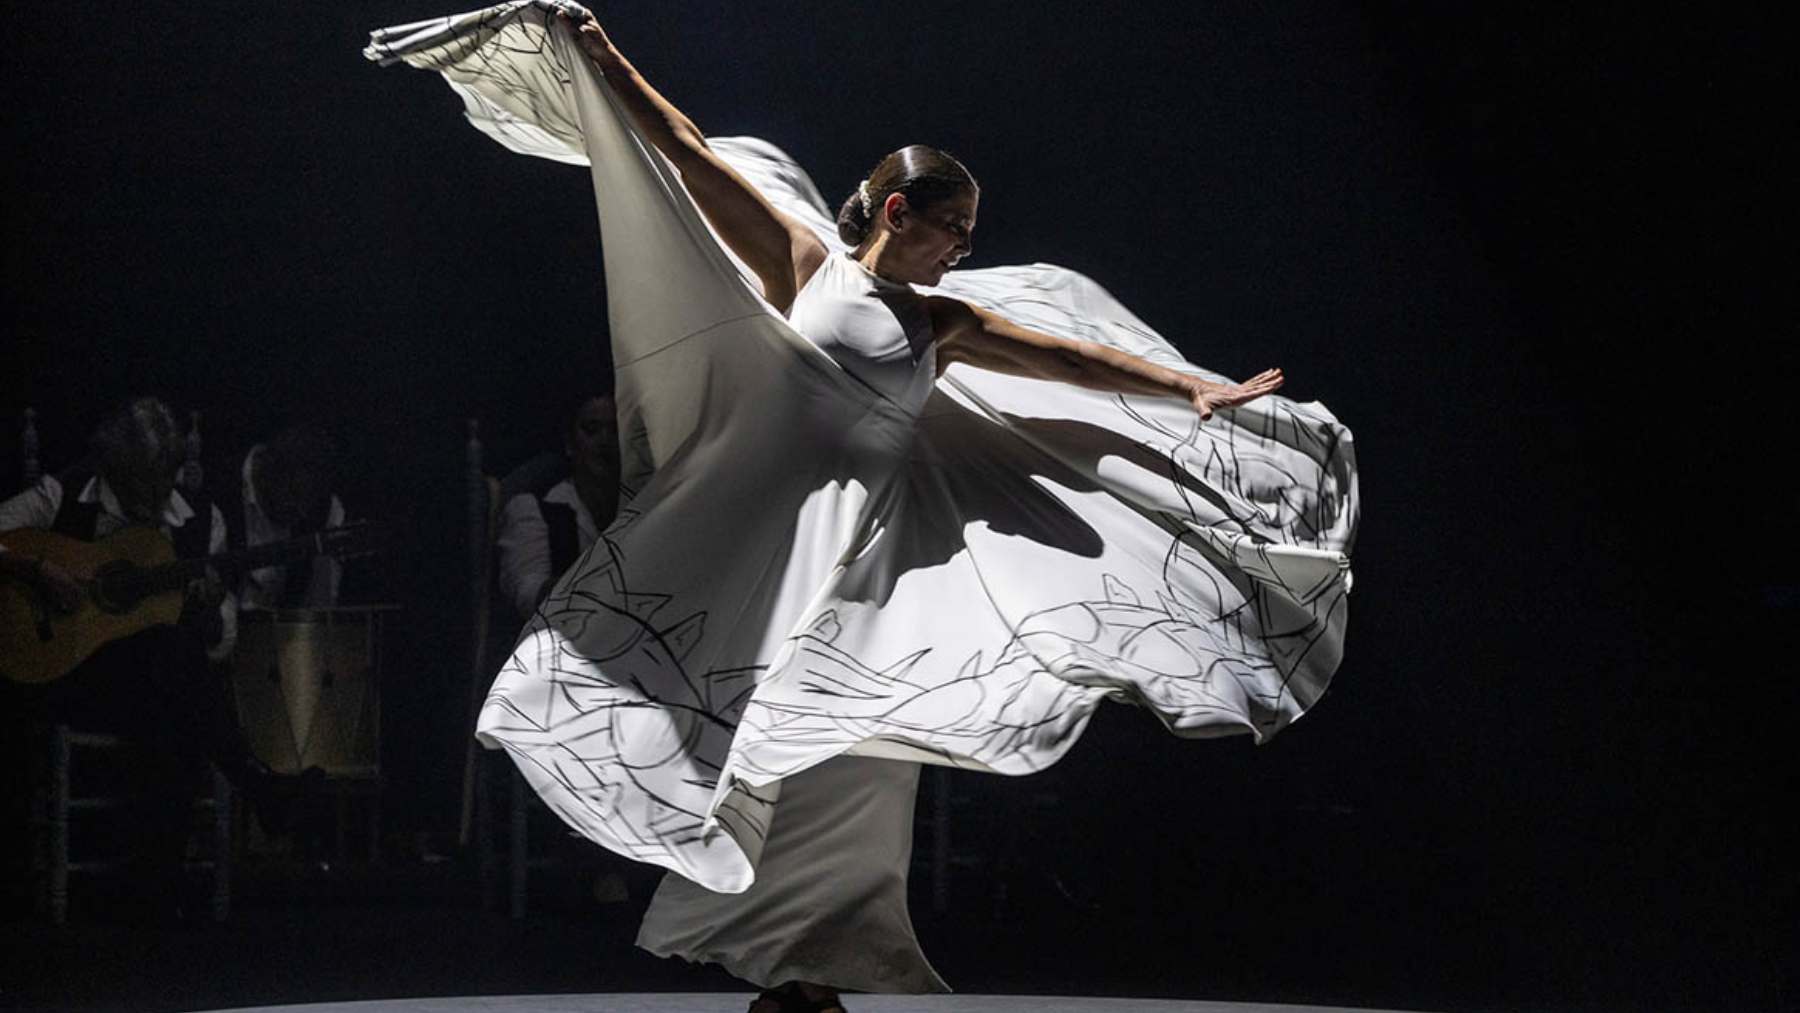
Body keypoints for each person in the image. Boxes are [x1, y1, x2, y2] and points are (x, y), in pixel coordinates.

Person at [369, 7, 1357, 1012]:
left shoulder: (942, 321)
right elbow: (686, 152)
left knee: (858, 777)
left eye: (970, 235)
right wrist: (599, 51)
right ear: (897, 214)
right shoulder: (805, 266)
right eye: (952, 229)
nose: (963, 250)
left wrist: (1180, 389)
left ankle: (813, 974)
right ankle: (774, 951)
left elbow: (1064, 357)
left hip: (864, 581)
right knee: (750, 745)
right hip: (760, 553)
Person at [0, 396, 279, 919]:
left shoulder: (201, 523)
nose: (154, 492)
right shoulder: (64, 493)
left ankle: (148, 891)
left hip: (153, 690)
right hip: (73, 677)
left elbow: (222, 643)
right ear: (113, 469)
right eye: (139, 478)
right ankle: (251, 785)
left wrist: (205, 608)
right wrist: (39, 568)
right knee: (175, 681)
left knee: (172, 665)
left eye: (163, 476)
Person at [495, 393, 620, 624]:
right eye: (592, 429)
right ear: (570, 444)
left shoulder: (641, 509)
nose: (605, 441)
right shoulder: (536, 511)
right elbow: (527, 594)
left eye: (615, 431)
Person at [236, 422, 347, 611]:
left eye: (309, 503)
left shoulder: (325, 510)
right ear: (266, 472)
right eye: (294, 495)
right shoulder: (216, 485)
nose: (301, 512)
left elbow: (320, 608)